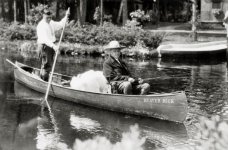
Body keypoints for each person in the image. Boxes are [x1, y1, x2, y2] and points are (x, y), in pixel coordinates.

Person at [37, 8, 70, 81]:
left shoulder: (51, 22)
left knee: (48, 65)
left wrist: (66, 16)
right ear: (43, 16)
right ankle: (44, 82)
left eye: (50, 17)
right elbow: (45, 39)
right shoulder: (41, 26)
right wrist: (54, 47)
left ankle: (44, 78)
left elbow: (60, 25)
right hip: (45, 46)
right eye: (47, 18)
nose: (49, 19)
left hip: (50, 46)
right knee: (46, 65)